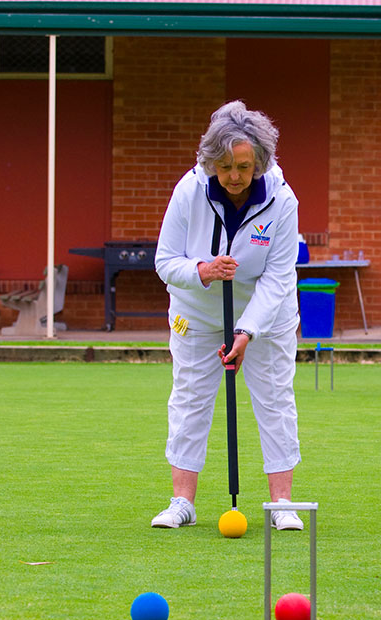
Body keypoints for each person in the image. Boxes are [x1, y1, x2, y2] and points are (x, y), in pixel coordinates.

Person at [151, 100, 304, 529]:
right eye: (223, 166)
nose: (234, 176)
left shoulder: (282, 200)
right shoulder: (189, 191)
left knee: (275, 400)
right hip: (197, 313)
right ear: (208, 161)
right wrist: (200, 270)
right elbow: (165, 261)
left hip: (266, 316)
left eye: (243, 165)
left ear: (260, 160)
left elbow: (278, 276)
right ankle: (182, 501)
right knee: (189, 399)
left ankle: (282, 504)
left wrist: (247, 331)